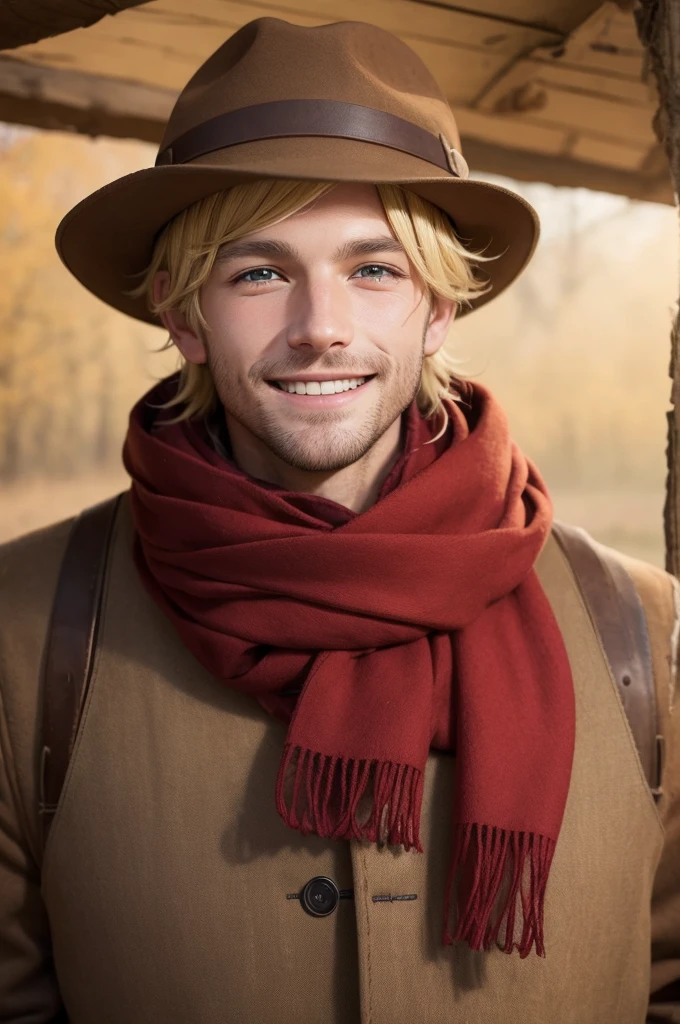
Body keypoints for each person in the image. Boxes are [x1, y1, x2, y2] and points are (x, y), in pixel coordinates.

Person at [0, 16, 678, 1024]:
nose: (321, 326)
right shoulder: (19, 634)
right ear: (181, 314)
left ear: (437, 309)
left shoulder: (643, 631)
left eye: (373, 269)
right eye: (258, 272)